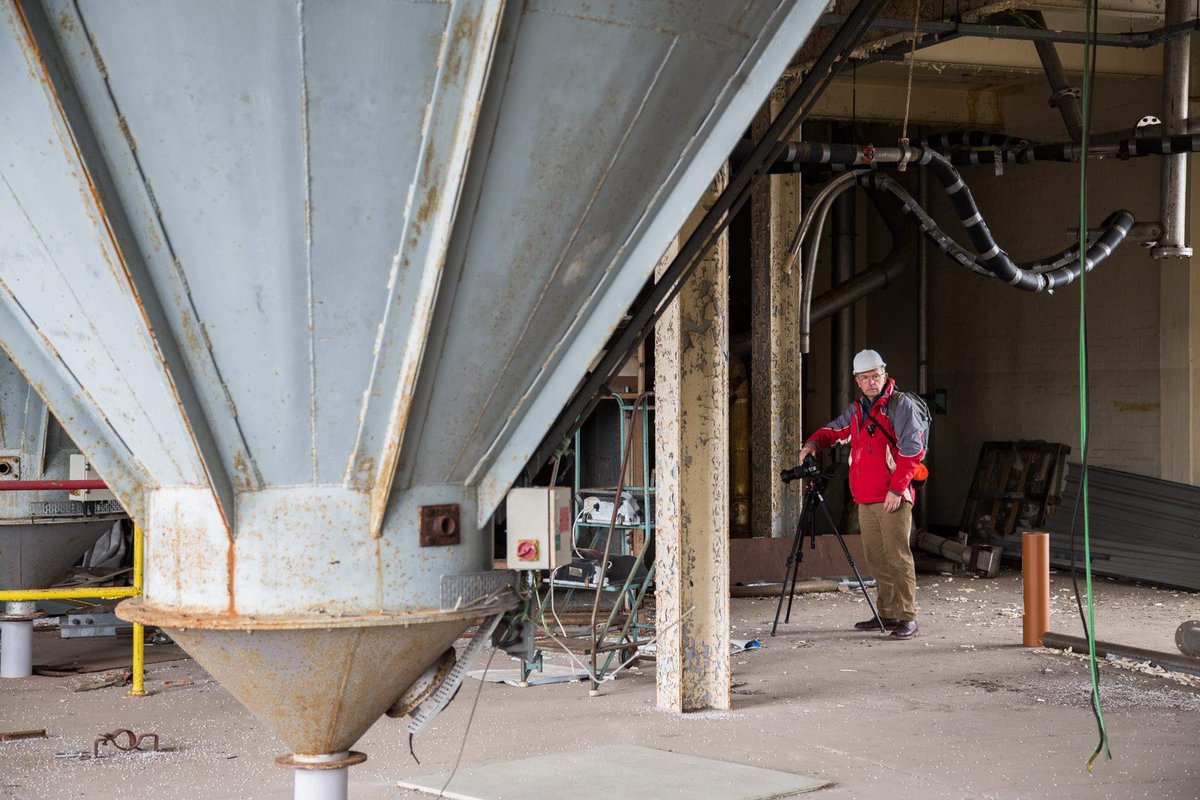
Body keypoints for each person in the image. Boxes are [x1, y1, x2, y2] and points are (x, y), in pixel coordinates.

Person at [798, 349, 927, 640]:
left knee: (898, 557)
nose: (871, 382)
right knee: (876, 559)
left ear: (884, 373)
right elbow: (834, 430)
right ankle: (887, 612)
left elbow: (913, 451)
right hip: (866, 497)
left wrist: (897, 488)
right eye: (865, 378)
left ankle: (908, 617)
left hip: (893, 496)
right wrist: (813, 443)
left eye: (876, 376)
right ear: (857, 380)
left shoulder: (900, 406)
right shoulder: (858, 411)